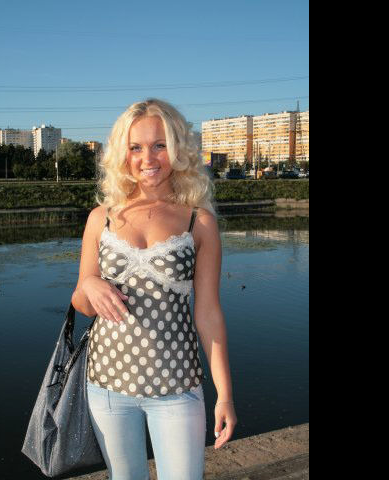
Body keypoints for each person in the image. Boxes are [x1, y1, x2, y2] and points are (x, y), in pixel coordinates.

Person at [72, 98, 237, 480]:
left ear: (178, 149)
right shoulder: (101, 218)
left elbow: (208, 314)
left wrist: (225, 394)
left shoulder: (199, 222)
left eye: (159, 145)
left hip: (176, 385)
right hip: (107, 385)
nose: (147, 158)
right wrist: (91, 284)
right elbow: (81, 302)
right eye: (136, 147)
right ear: (123, 154)